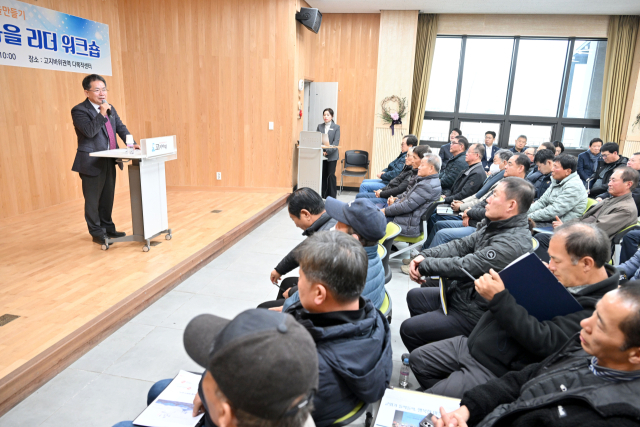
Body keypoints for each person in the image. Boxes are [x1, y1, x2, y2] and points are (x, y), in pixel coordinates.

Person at [410, 223, 619, 398]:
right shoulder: (567, 278)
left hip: (497, 368)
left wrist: (499, 298)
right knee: (419, 360)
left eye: (556, 260)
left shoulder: (599, 309)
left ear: (586, 264)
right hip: (478, 343)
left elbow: (545, 341)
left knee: (433, 402)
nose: (550, 265)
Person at [431, 282, 640, 427]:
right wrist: (468, 409)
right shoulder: (585, 350)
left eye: (601, 325)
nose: (585, 323)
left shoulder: (616, 417)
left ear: (636, 355)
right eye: (595, 312)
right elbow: (525, 378)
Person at [112, 308, 319, 427]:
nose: (206, 372)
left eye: (212, 370)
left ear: (223, 414)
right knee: (159, 389)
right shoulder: (294, 405)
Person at [400, 178, 535, 351]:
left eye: (494, 195)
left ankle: (438, 360)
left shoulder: (512, 243)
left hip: (476, 312)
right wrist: (424, 255)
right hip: (466, 295)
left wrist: (425, 265)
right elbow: (461, 245)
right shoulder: (496, 225)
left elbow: (466, 265)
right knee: (415, 297)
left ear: (511, 205)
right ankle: (434, 349)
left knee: (409, 329)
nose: (488, 199)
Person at [283, 231, 392, 427]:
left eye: (300, 277)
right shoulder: (376, 321)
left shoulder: (306, 370)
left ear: (319, 293)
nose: (297, 283)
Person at [279, 198, 387, 311]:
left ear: (354, 240)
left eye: (339, 225)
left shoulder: (344, 269)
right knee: (288, 283)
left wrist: (287, 307)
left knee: (264, 308)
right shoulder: (372, 255)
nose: (334, 227)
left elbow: (311, 312)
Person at [413, 154, 530, 256]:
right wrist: (467, 209)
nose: (505, 166)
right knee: (438, 224)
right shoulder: (505, 182)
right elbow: (483, 200)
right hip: (476, 220)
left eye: (509, 164)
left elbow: (488, 211)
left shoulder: (517, 191)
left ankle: (426, 266)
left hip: (481, 226)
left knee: (442, 234)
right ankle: (424, 253)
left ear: (520, 168)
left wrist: (468, 211)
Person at [72, 74, 137, 245]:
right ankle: (96, 233)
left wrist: (132, 144)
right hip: (91, 162)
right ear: (87, 92)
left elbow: (120, 128)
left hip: (109, 159)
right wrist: (101, 113)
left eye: (104, 89)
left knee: (108, 197)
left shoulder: (110, 107)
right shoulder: (79, 110)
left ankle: (108, 228)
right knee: (93, 200)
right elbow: (89, 132)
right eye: (97, 90)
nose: (102, 93)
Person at [534, 167, 639, 261]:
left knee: (542, 239)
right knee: (539, 234)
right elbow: (582, 219)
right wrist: (564, 226)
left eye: (613, 180)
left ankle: (550, 276)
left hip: (591, 246)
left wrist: (565, 229)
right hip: (580, 236)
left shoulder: (626, 209)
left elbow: (595, 231)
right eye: (610, 180)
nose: (609, 183)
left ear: (628, 184)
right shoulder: (610, 200)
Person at [262, 188, 337, 309]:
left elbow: (322, 285)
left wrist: (293, 293)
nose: (296, 224)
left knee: (263, 308)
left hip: (326, 304)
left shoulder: (324, 242)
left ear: (306, 214)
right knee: (287, 282)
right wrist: (280, 269)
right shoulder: (330, 220)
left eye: (293, 219)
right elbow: (303, 248)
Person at [382, 154, 442, 237]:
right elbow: (408, 199)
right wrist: (395, 200)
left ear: (431, 168)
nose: (419, 167)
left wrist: (385, 211)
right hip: (406, 219)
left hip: (407, 224)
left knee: (371, 217)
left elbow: (406, 206)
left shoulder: (427, 185)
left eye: (422, 165)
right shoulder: (428, 181)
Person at [358, 146, 431, 205]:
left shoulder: (416, 175)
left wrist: (383, 194)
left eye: (413, 157)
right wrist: (382, 190)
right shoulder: (410, 169)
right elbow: (398, 183)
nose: (407, 158)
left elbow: (400, 190)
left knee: (362, 193)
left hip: (391, 198)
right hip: (392, 196)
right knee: (360, 195)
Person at [527, 154, 587, 227]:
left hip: (561, 224)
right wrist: (523, 212)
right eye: (553, 166)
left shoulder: (574, 186)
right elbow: (542, 202)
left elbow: (554, 211)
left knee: (522, 226)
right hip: (549, 219)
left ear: (567, 171)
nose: (552, 169)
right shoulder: (557, 181)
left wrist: (528, 216)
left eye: (556, 167)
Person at [318, 108, 340, 199]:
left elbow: (336, 142)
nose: (325, 117)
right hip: (322, 155)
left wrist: (327, 151)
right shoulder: (320, 126)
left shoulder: (336, 127)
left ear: (332, 116)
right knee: (323, 175)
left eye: (328, 115)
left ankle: (332, 197)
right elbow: (317, 139)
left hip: (332, 155)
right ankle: (323, 195)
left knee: (330, 175)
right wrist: (322, 152)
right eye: (324, 115)